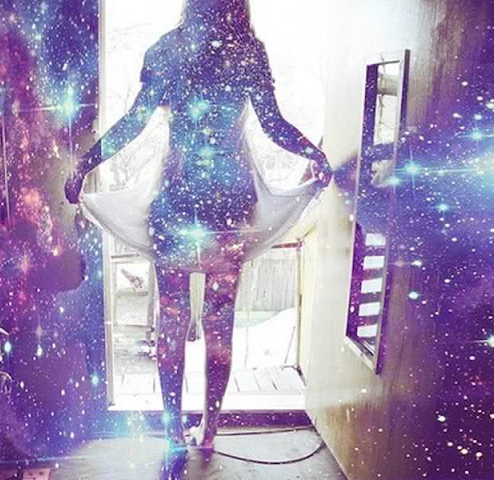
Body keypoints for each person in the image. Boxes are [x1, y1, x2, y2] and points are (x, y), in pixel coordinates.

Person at [66, 0, 331, 455]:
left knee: (171, 320)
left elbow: (135, 122)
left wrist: (85, 164)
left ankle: (174, 430)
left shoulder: (168, 49)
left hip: (177, 203)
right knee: (219, 323)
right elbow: (272, 125)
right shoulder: (247, 52)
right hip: (228, 208)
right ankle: (209, 430)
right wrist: (315, 155)